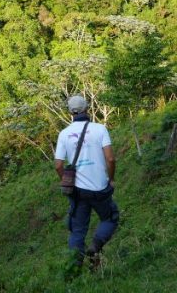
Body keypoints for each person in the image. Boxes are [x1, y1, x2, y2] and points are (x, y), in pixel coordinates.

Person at [54, 95, 119, 269]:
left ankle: (74, 269)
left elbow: (58, 164)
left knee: (77, 231)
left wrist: (66, 181)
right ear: (87, 109)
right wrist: (111, 179)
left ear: (70, 112)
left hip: (78, 192)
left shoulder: (64, 134)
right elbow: (111, 159)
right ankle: (95, 247)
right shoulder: (100, 129)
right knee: (110, 218)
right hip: (100, 189)